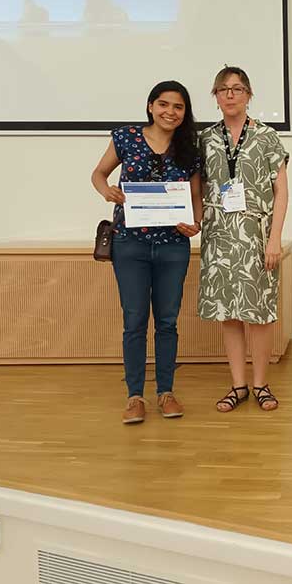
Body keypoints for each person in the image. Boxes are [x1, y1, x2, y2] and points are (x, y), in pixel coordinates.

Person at [91, 81, 203, 424]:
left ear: (185, 113)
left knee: (167, 321)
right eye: (164, 104)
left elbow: (195, 195)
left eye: (178, 107)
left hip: (173, 246)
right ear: (151, 106)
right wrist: (107, 191)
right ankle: (135, 396)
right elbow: (98, 174)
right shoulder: (126, 137)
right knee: (134, 320)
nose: (171, 112)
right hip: (130, 243)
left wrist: (196, 223)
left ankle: (166, 392)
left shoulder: (190, 147)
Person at [198, 66, 289, 412]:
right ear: (215, 97)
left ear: (249, 94)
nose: (230, 94)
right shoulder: (206, 139)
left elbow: (281, 192)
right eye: (223, 89)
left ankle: (261, 384)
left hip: (256, 237)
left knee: (259, 313)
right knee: (229, 314)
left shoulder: (266, 137)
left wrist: (274, 239)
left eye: (237, 88)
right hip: (219, 237)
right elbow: (198, 187)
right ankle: (238, 386)